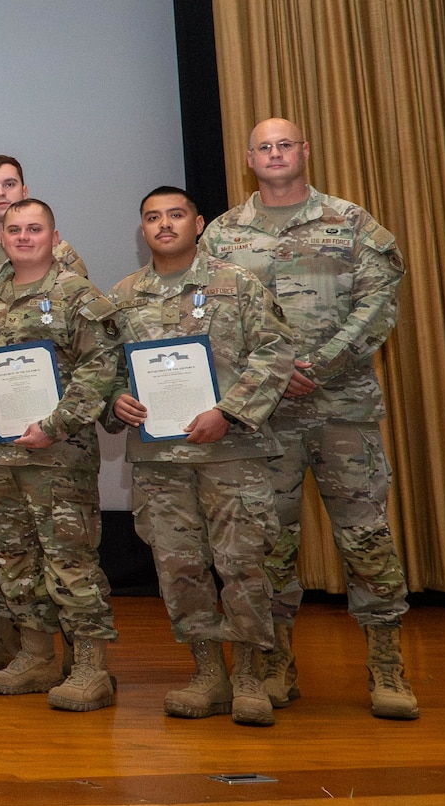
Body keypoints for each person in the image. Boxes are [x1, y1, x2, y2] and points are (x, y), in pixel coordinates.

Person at [199, 117, 416, 721]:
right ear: (249, 158)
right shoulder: (222, 234)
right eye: (264, 147)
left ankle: (387, 668)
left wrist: (318, 365)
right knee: (269, 545)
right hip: (261, 420)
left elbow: (379, 300)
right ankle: (275, 665)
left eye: (284, 144)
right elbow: (208, 320)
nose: (274, 154)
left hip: (341, 410)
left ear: (305, 152)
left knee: (366, 537)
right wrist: (265, 377)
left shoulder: (349, 222)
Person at [106, 187, 292, 726]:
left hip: (229, 451)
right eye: (152, 217)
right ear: (142, 229)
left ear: (198, 222)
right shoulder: (121, 298)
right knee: (179, 568)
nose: (164, 225)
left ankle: (250, 675)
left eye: (175, 215)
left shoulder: (238, 285)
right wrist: (115, 398)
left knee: (242, 564)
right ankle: (207, 672)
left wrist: (230, 411)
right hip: (161, 463)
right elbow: (105, 371)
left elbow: (275, 353)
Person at [0, 198, 122, 712]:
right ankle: (36, 656)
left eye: (35, 229)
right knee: (16, 557)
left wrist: (55, 426)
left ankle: (91, 667)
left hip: (60, 455)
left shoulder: (78, 296)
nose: (24, 237)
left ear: (55, 236)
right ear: (3, 236)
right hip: (2, 456)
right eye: (15, 229)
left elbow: (100, 367)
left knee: (70, 559)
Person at [0, 155, 89, 677]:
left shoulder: (67, 266)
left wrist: (57, 420)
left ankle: (81, 657)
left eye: (11, 184)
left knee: (66, 543)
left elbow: (84, 348)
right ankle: (11, 641)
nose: (2, 193)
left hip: (56, 434)